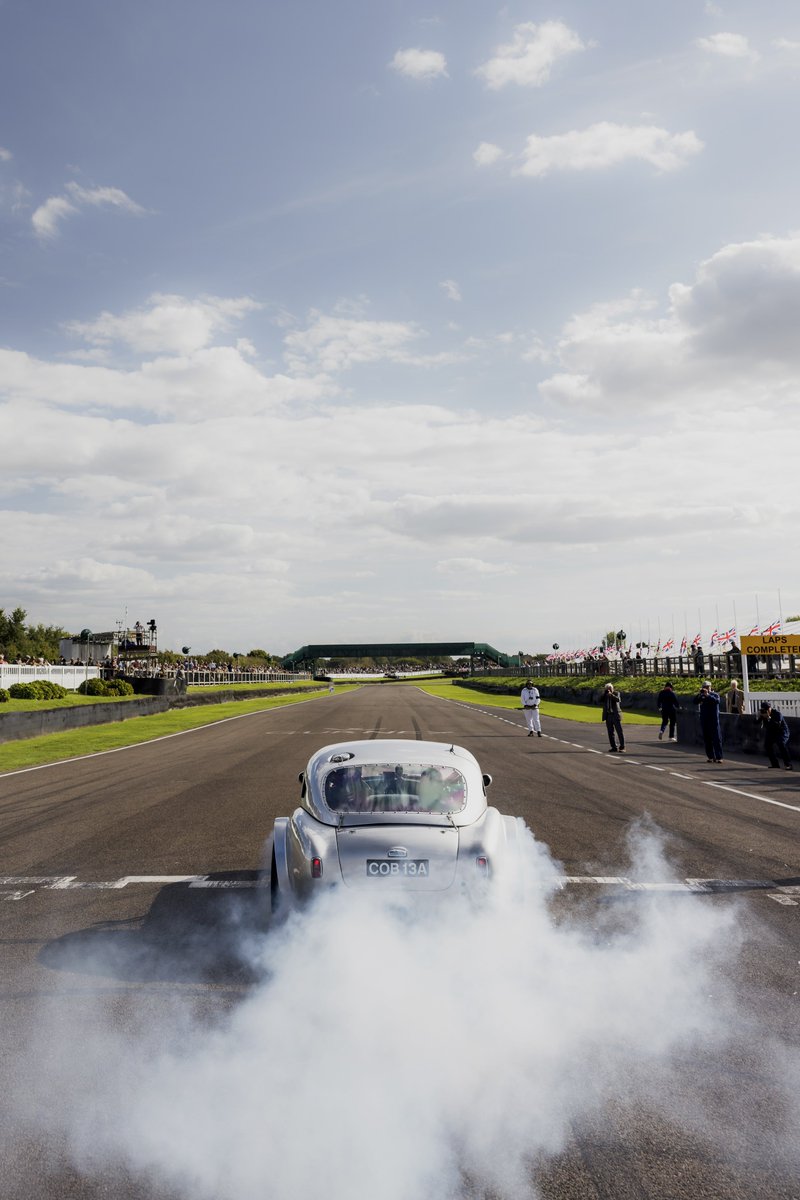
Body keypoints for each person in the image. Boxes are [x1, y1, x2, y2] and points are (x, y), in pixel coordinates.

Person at [693, 681, 723, 762]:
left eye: (707, 687)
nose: (705, 689)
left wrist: (707, 695)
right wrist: (700, 694)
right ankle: (710, 756)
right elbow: (694, 702)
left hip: (713, 720)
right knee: (707, 739)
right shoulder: (701, 696)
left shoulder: (715, 695)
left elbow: (716, 701)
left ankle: (719, 757)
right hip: (704, 720)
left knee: (716, 739)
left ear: (710, 687)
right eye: (704, 687)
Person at [759, 702, 793, 770]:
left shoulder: (777, 714)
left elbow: (777, 725)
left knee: (781, 744)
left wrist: (769, 718)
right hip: (771, 732)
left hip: (782, 732)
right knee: (767, 745)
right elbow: (755, 722)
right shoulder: (763, 713)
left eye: (767, 709)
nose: (766, 711)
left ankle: (788, 764)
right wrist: (758, 716)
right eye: (764, 709)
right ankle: (775, 764)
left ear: (770, 708)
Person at [601, 682, 625, 753]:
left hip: (615, 715)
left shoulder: (616, 693)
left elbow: (618, 700)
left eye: (609, 688)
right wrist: (604, 694)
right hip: (608, 715)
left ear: (612, 688)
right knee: (610, 732)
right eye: (607, 689)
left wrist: (611, 695)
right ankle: (614, 747)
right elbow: (599, 699)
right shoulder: (605, 695)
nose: (608, 690)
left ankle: (622, 747)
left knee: (619, 731)